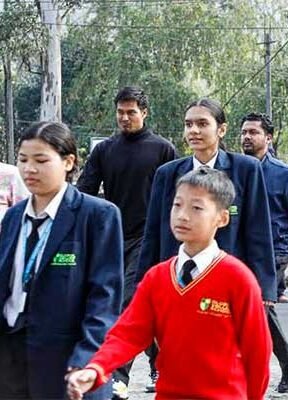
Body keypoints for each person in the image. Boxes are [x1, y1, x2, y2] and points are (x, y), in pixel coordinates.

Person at [65, 168, 273, 400]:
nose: (182, 215)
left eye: (196, 208)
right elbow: (127, 334)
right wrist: (96, 368)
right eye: (177, 205)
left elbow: (257, 353)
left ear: (222, 218)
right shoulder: (157, 277)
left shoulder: (238, 278)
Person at [0, 121, 123, 399]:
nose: (30, 169)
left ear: (68, 162)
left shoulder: (97, 216)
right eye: (23, 160)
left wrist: (86, 361)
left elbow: (104, 299)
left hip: (67, 363)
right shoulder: (13, 217)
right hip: (12, 360)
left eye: (41, 160)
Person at [76, 86, 177, 395]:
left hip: (150, 239)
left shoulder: (163, 149)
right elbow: (84, 192)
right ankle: (161, 367)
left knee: (128, 304)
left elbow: (176, 196)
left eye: (131, 112)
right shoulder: (104, 150)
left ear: (144, 113)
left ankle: (117, 375)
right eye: (120, 112)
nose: (125, 117)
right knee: (144, 308)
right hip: (113, 239)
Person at [137, 98, 276, 305]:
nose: (193, 130)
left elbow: (259, 231)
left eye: (202, 124)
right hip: (176, 282)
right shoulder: (167, 173)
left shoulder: (246, 169)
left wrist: (264, 290)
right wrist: (143, 288)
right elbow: (153, 235)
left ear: (221, 129)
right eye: (188, 124)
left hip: (228, 283)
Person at [240, 112, 288, 392]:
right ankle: (282, 363)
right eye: (245, 132)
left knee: (260, 307)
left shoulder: (283, 175)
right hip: (240, 253)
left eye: (254, 132)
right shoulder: (235, 170)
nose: (247, 137)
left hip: (273, 252)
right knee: (244, 310)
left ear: (268, 138)